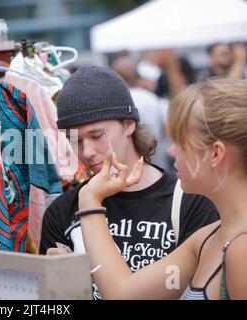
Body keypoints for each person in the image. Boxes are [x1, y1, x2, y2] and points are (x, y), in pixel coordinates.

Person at [39, 66, 219, 298]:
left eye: (96, 136)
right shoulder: (61, 211)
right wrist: (60, 283)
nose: (87, 151)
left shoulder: (191, 200)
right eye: (75, 140)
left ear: (129, 124)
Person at [77, 77, 247, 299]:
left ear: (216, 153)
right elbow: (123, 293)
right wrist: (89, 197)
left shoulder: (239, 247)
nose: (171, 151)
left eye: (181, 142)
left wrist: (90, 200)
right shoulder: (210, 237)